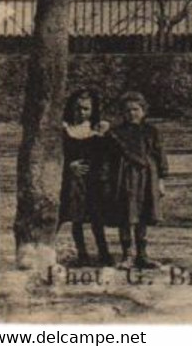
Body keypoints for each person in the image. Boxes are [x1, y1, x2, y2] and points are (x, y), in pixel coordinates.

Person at [108, 91, 167, 269]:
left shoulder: (151, 131)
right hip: (123, 177)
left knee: (143, 214)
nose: (132, 114)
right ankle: (127, 255)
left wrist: (161, 180)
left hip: (148, 177)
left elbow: (160, 155)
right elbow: (108, 158)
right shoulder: (115, 133)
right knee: (126, 215)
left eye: (136, 109)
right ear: (122, 113)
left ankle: (143, 255)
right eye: (127, 110)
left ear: (143, 111)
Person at [58, 89, 113, 267]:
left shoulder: (97, 128)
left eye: (86, 109)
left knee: (96, 217)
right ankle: (82, 254)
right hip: (74, 179)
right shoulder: (65, 129)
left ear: (92, 109)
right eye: (78, 108)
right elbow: (59, 155)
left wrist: (105, 135)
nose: (82, 112)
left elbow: (107, 154)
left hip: (94, 179)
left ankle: (104, 252)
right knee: (77, 218)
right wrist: (69, 166)